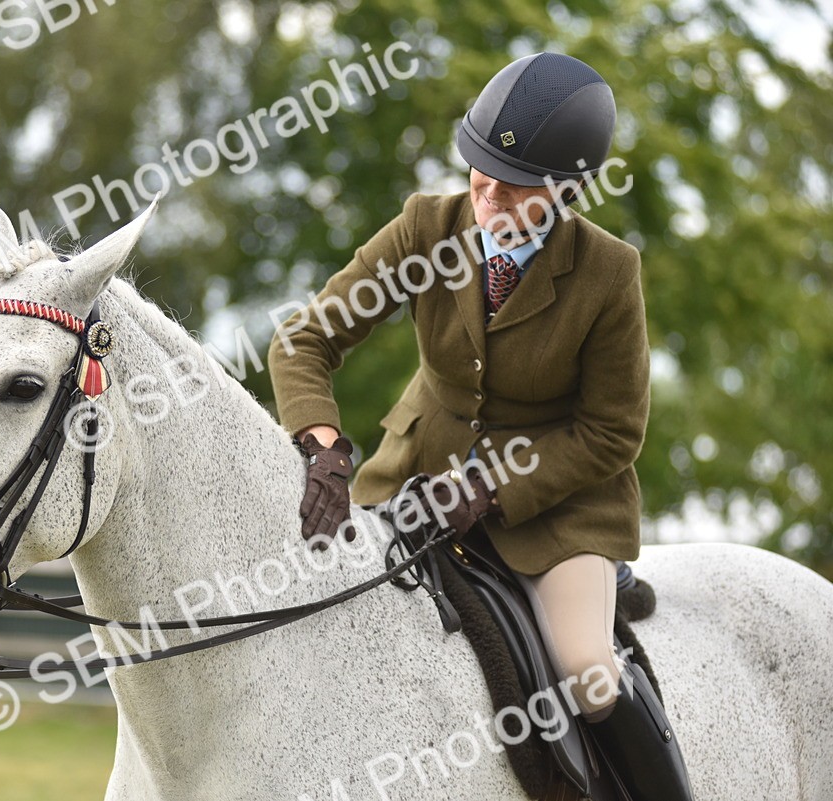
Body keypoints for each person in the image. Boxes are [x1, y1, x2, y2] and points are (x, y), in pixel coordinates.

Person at [267, 53, 694, 800]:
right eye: (480, 171)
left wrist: (491, 488)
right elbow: (305, 338)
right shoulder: (425, 228)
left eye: (514, 184)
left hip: (556, 507)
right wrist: (323, 446)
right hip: (412, 474)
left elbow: (612, 431)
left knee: (588, 672)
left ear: (565, 191)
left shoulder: (608, 272)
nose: (488, 195)